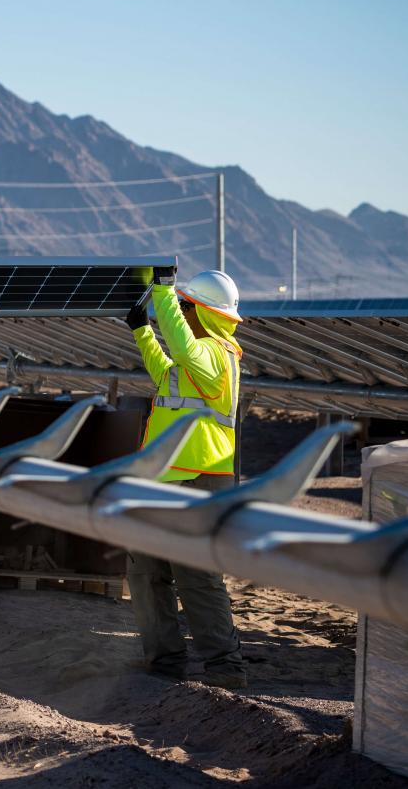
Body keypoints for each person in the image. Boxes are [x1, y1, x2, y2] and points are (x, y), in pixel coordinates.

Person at [123, 265, 248, 688]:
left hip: (200, 479)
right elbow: (165, 373)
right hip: (162, 479)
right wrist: (143, 332)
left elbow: (179, 345)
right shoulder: (194, 357)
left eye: (183, 306)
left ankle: (225, 668)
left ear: (201, 311)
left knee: (197, 579)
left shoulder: (217, 353)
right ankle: (164, 664)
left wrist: (161, 292)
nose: (178, 311)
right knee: (147, 573)